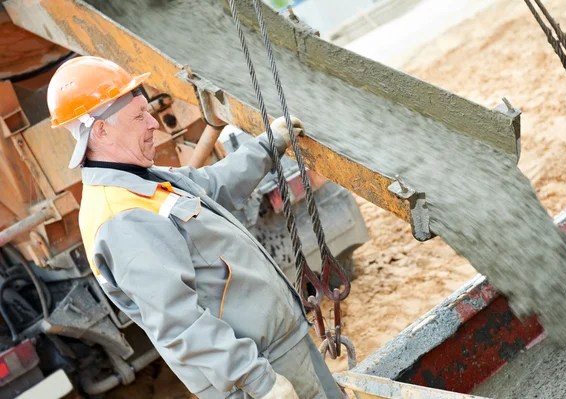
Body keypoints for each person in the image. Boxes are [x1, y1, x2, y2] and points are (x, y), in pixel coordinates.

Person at [47, 56, 345, 399]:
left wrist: (269, 144)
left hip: (279, 349)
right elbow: (179, 322)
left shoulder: (140, 181)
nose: (152, 124)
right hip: (256, 371)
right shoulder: (121, 218)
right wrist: (258, 381)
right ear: (100, 130)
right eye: (139, 115)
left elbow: (215, 185)